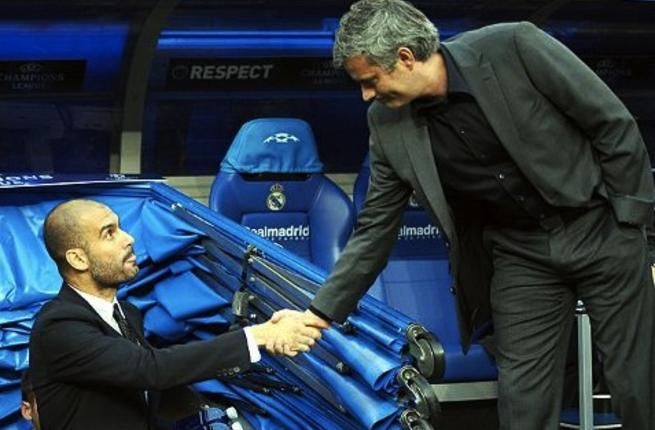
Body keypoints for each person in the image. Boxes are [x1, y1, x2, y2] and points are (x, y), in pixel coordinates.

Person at [276, 1, 655, 429]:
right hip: (520, 255)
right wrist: (319, 315)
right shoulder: (385, 124)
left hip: (599, 230)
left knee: (636, 385)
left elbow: (611, 124)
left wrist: (630, 222)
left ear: (405, 58)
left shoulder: (515, 46)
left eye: (370, 80)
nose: (366, 95)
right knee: (523, 403)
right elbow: (375, 229)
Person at [29, 199, 327, 430]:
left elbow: (151, 390)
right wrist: (259, 335)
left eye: (120, 227)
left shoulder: (127, 314)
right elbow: (150, 370)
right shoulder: (59, 326)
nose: (128, 238)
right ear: (78, 259)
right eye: (109, 233)